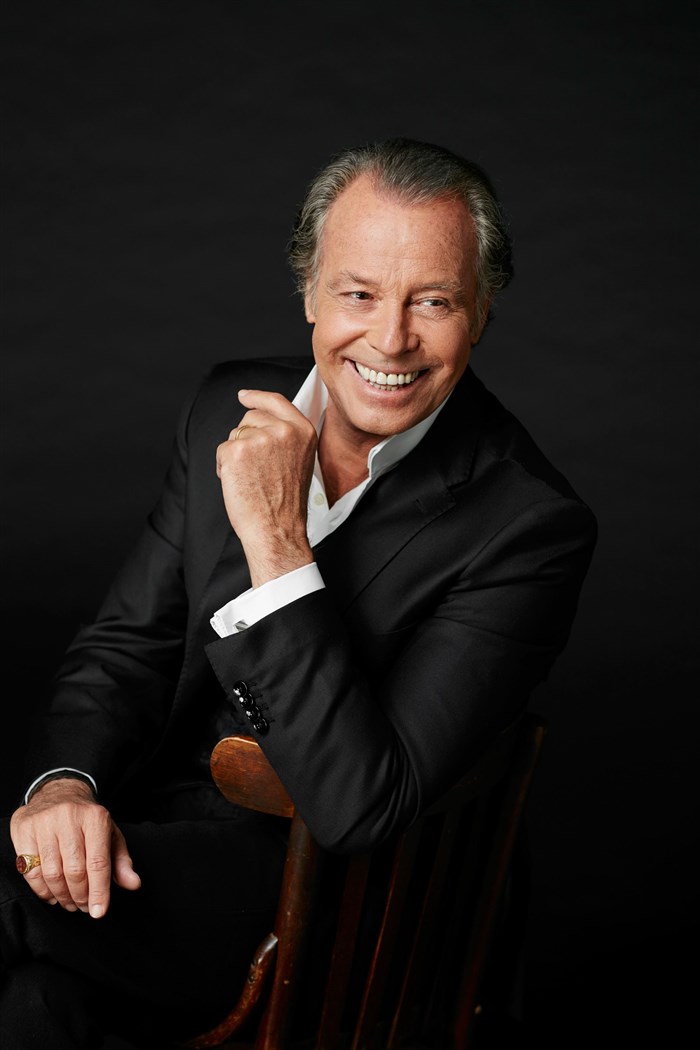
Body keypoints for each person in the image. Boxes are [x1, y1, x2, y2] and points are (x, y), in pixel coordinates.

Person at [0, 137, 596, 1048]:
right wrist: (62, 789)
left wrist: (277, 541)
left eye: (433, 301)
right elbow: (128, 646)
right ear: (309, 291)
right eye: (358, 294)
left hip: (333, 903)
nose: (390, 339)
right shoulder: (224, 409)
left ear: (481, 310)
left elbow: (362, 806)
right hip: (155, 832)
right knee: (38, 1005)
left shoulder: (530, 524)